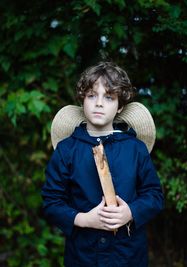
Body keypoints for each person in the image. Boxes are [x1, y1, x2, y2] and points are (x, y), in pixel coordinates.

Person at [41, 61, 164, 267]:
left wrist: (131, 212)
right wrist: (83, 219)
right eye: (91, 95)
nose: (99, 103)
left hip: (128, 255)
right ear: (83, 101)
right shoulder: (67, 150)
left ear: (120, 106)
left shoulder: (135, 149)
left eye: (109, 97)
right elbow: (51, 202)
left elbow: (154, 195)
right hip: (83, 256)